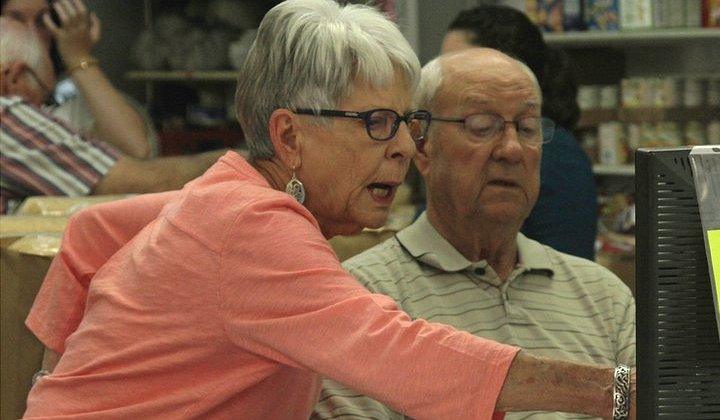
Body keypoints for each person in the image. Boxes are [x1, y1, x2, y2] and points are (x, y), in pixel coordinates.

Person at [21, 1, 635, 418]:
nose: (402, 145)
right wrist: (620, 394)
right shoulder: (249, 224)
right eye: (376, 123)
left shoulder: (221, 196)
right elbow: (400, 355)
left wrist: (54, 387)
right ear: (288, 137)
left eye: (405, 122)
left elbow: (89, 229)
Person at [315, 48, 635, 420]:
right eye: (483, 127)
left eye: (528, 128)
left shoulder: (603, 296)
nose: (512, 149)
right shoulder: (362, 297)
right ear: (422, 147)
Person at [0, 16, 218, 213]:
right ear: (14, 78)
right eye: (45, 96)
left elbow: (135, 148)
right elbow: (144, 178)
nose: (42, 111)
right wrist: (239, 159)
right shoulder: (7, 115)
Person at [440, 5, 598, 260]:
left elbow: (564, 267)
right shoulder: (448, 137)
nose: (442, 76)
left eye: (458, 64)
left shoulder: (555, 155)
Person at [3, 0, 156, 158]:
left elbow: (137, 150)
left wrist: (78, 57)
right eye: (16, 19)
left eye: (42, 21)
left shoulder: (73, 106)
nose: (31, 30)